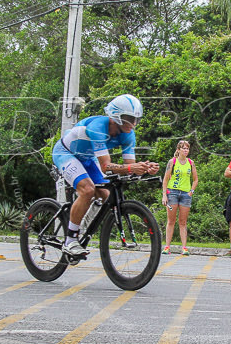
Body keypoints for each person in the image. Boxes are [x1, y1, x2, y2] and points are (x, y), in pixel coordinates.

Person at [51, 94, 159, 259]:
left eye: (136, 119)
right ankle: (70, 240)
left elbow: (129, 167)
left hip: (87, 158)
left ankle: (82, 226)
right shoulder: (98, 127)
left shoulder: (128, 135)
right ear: (116, 116)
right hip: (66, 153)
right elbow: (106, 166)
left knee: (105, 195)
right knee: (87, 190)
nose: (134, 124)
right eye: (129, 118)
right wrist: (132, 167)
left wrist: (143, 168)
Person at [161, 140, 197, 256]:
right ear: (178, 150)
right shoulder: (172, 162)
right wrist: (164, 195)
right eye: (184, 148)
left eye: (187, 148)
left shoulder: (191, 163)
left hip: (185, 194)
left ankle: (184, 248)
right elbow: (165, 179)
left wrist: (191, 191)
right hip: (172, 193)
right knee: (171, 221)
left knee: (183, 222)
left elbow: (195, 179)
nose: (186, 150)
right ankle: (167, 246)